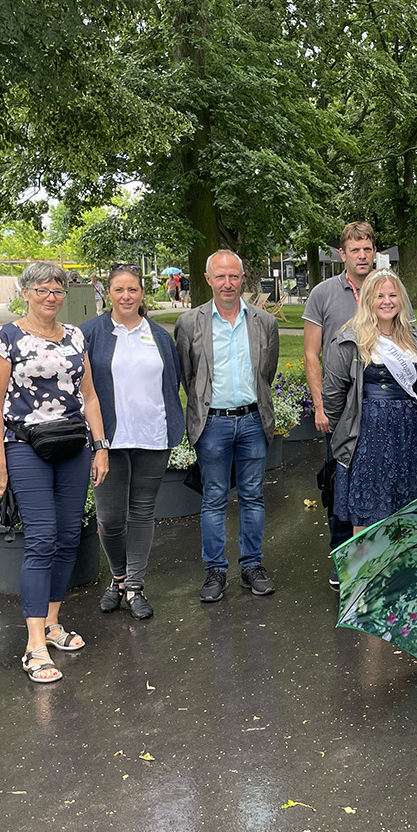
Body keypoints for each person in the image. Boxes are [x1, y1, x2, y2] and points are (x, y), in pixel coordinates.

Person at [0, 261, 110, 684]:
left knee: (69, 536)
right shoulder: (6, 337)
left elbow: (89, 396)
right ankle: (34, 644)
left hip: (72, 445)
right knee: (41, 539)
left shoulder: (75, 336)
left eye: (57, 290)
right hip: (25, 446)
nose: (50, 297)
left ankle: (53, 623)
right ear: (26, 293)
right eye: (41, 290)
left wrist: (101, 447)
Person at [81, 264, 186, 621]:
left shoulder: (159, 337)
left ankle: (135, 587)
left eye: (133, 290)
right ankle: (119, 578)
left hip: (152, 436)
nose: (126, 296)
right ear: (108, 293)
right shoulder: (90, 334)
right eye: (119, 289)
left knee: (142, 513)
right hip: (106, 441)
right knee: (110, 518)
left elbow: (172, 382)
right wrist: (94, 439)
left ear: (142, 293)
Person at [175, 250, 280, 603]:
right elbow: (189, 376)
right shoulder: (190, 323)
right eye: (220, 276)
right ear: (208, 279)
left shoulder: (265, 322)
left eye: (233, 276)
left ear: (242, 278)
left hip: (253, 421)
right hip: (213, 424)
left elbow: (267, 372)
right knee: (214, 499)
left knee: (253, 497)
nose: (227, 283)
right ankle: (215, 571)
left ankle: (252, 566)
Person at [322, 270, 417, 532]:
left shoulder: (414, 336)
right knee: (368, 510)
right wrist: (347, 430)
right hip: (369, 433)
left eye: (393, 295)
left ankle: (400, 558)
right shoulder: (350, 338)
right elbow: (333, 395)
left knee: (408, 508)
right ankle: (366, 560)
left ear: (401, 299)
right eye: (379, 296)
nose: (387, 301)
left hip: (408, 432)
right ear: (367, 300)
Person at [305, 222, 376, 559]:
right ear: (342, 254)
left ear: (374, 252)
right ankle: (342, 555)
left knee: (379, 481)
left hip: (379, 404)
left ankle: (375, 553)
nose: (361, 256)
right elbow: (310, 353)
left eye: (367, 249)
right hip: (339, 408)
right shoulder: (323, 294)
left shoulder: (386, 289)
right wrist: (320, 407)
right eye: (354, 250)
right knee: (340, 482)